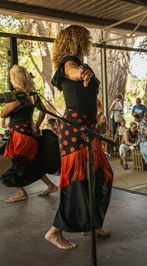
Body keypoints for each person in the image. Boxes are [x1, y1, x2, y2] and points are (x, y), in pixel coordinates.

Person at [45, 25, 113, 250]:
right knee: (77, 183)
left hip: (86, 131)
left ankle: (90, 224)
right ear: (79, 40)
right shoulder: (69, 62)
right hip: (75, 132)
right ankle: (55, 231)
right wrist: (81, 73)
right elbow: (72, 70)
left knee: (99, 177)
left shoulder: (77, 63)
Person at [1, 65, 58, 202]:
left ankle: (21, 193)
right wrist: (37, 126)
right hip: (29, 135)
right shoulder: (33, 94)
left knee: (11, 164)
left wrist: (11, 108)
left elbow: (2, 113)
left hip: (20, 138)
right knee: (31, 163)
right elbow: (43, 111)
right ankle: (51, 185)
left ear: (15, 79)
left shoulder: (18, 97)